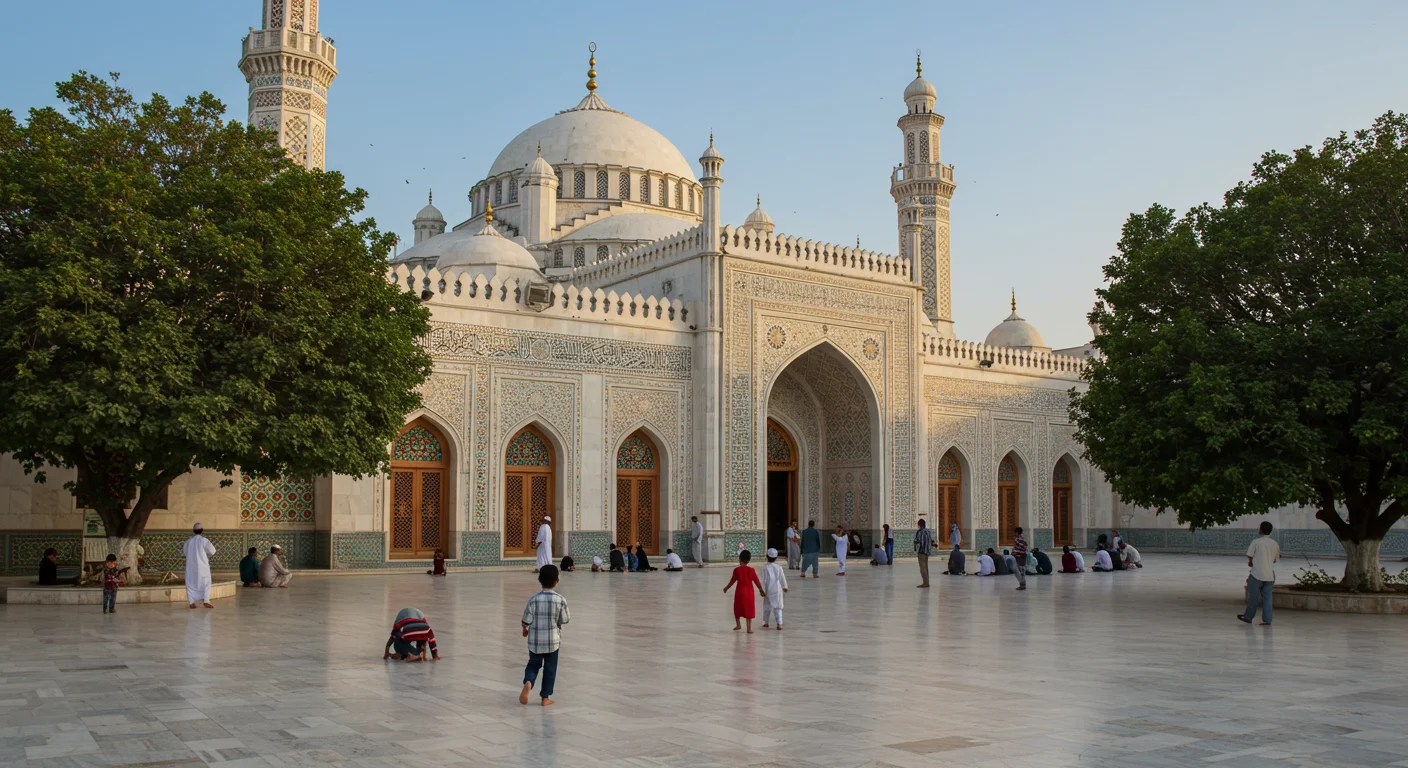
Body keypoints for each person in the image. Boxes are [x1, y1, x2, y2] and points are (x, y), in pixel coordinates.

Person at [520, 564, 570, 706]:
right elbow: (565, 619)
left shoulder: (534, 599)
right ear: (557, 580)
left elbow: (526, 619)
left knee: (533, 664)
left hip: (535, 641)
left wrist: (525, 629)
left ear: (539, 580)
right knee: (550, 668)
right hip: (552, 641)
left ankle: (529, 682)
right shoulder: (560, 600)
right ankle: (545, 698)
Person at [1240, 521, 1279, 626]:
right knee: (1267, 597)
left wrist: (1250, 562)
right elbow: (1275, 560)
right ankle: (1267, 620)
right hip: (1270, 574)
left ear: (1261, 529)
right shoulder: (1275, 543)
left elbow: (1250, 555)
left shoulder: (1256, 542)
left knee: (1254, 597)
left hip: (1257, 573)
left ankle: (1248, 617)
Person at [723, 550, 766, 633]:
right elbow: (756, 581)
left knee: (737, 608)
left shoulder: (737, 570)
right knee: (749, 609)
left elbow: (732, 581)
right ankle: (749, 628)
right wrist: (760, 589)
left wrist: (726, 588)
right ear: (749, 560)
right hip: (749, 592)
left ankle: (738, 625)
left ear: (740, 559)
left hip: (740, 592)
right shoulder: (752, 570)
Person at [182, 523, 216, 608]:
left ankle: (191, 602)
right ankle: (206, 601)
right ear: (202, 531)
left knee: (190, 583)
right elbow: (212, 551)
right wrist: (206, 555)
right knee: (206, 583)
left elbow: (185, 552)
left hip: (191, 567)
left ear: (193, 531)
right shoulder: (204, 540)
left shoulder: (188, 542)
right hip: (203, 567)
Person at [760, 548, 788, 630]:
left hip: (768, 590)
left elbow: (764, 580)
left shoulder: (765, 568)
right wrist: (784, 586)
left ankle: (766, 623)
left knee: (766, 607)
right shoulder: (779, 567)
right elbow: (782, 578)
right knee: (778, 607)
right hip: (777, 590)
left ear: (767, 557)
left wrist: (763, 591)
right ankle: (779, 624)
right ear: (776, 558)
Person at [913, 519, 934, 587]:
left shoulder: (920, 531)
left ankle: (925, 583)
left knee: (922, 568)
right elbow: (931, 540)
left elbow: (917, 540)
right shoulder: (928, 531)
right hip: (926, 551)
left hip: (921, 551)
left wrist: (915, 546)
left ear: (919, 524)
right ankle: (927, 582)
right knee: (926, 567)